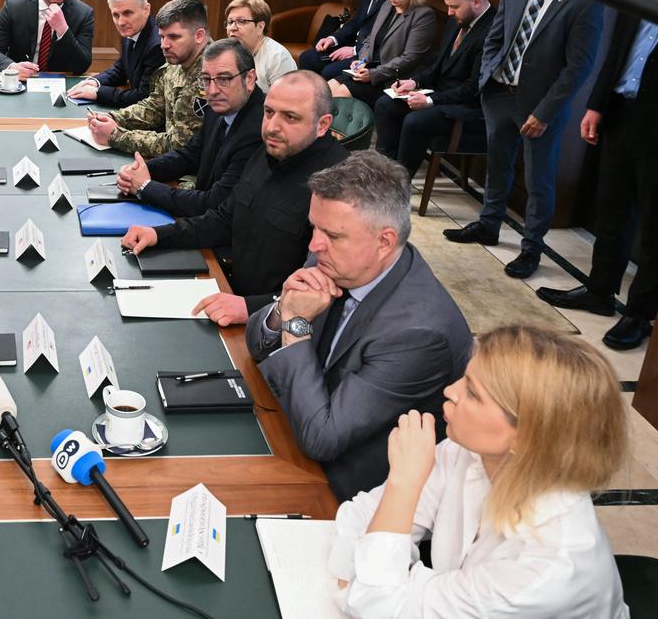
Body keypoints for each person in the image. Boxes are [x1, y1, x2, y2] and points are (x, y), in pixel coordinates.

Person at [329, 326, 629, 617]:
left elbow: (379, 605)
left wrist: (402, 484)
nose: (450, 391)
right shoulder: (469, 449)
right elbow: (359, 518)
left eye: (472, 393)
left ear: (527, 435)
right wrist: (359, 586)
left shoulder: (547, 567)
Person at [243, 151, 472, 501]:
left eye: (332, 235)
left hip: (348, 493)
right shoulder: (339, 258)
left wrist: (297, 323)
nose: (313, 244)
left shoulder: (418, 334)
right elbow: (258, 342)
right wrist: (281, 315)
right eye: (314, 227)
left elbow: (322, 438)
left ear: (385, 241)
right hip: (292, 428)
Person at [444, 0, 604, 280]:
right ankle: (489, 224)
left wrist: (545, 112)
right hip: (500, 95)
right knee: (497, 165)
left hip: (540, 106)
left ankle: (532, 248)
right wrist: (488, 81)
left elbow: (579, 67)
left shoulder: (584, 1)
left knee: (538, 180)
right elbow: (494, 41)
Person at [121, 71, 347, 324]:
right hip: (227, 292)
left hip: (274, 323)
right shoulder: (269, 151)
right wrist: (160, 234)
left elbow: (329, 290)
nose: (272, 127)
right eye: (269, 112)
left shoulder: (341, 186)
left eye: (290, 117)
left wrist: (250, 308)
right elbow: (224, 219)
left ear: (323, 125)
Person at [538, 0, 658, 350]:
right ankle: (600, 291)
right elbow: (621, 43)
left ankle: (639, 314)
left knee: (654, 228)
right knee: (612, 209)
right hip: (623, 108)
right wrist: (597, 103)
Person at [116, 38, 264, 217]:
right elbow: (191, 154)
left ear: (249, 79)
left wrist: (145, 187)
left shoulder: (258, 129)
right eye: (206, 79)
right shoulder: (221, 104)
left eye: (224, 79)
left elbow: (213, 203)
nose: (212, 90)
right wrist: (144, 170)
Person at [374, 0, 494, 177]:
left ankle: (400, 182)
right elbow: (437, 64)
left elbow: (474, 87)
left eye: (454, 7)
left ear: (476, 2)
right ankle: (384, 171)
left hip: (464, 107)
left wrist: (430, 99)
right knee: (385, 104)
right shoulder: (457, 19)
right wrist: (414, 81)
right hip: (440, 94)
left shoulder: (493, 31)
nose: (448, 12)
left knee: (415, 121)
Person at [86, 0, 206, 158]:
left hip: (193, 172)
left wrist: (116, 136)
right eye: (162, 37)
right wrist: (115, 118)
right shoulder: (178, 59)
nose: (164, 45)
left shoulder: (210, 77)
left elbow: (179, 145)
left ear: (199, 36)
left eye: (174, 37)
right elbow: (154, 107)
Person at [329, 0, 438, 107]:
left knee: (342, 93)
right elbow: (370, 39)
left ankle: (339, 129)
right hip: (370, 70)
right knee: (329, 86)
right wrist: (362, 61)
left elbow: (410, 58)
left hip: (392, 80)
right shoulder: (387, 6)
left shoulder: (424, 16)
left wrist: (374, 74)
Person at [66, 0, 164, 107]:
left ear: (146, 10)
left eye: (127, 13)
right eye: (116, 15)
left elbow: (143, 97)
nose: (121, 22)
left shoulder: (157, 45)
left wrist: (98, 93)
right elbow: (121, 69)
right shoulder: (132, 32)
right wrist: (94, 82)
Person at [299, 0, 391, 79]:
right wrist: (332, 39)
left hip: (371, 55)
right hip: (353, 44)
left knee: (329, 71)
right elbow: (355, 22)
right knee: (308, 58)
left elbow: (386, 37)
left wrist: (354, 50)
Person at [223, 0, 296, 89]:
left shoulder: (277, 57)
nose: (232, 28)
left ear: (260, 27)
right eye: (230, 22)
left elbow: (286, 100)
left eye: (241, 21)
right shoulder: (225, 53)